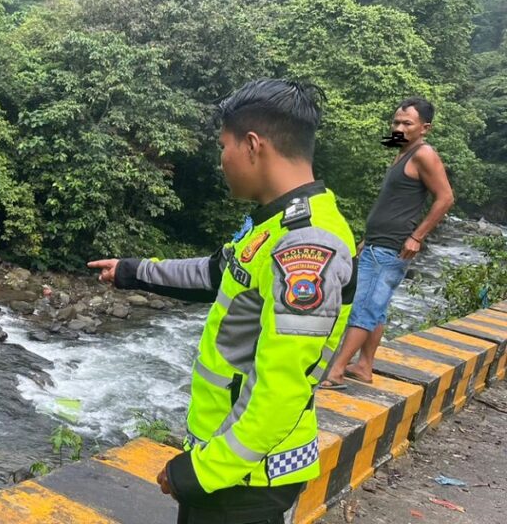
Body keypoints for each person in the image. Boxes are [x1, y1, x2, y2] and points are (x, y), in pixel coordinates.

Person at [88, 79, 356, 524]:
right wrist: (133, 271)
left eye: (223, 146)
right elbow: (215, 274)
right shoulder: (274, 224)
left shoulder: (309, 245)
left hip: (246, 477)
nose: (221, 160)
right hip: (231, 464)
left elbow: (281, 388)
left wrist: (202, 471)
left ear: (253, 145)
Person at [322, 97, 454, 389]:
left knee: (364, 307)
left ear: (425, 128)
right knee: (376, 307)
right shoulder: (401, 152)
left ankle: (336, 372)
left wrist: (417, 237)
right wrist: (367, 238)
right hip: (377, 242)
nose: (399, 127)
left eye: (407, 123)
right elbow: (391, 202)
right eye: (396, 122)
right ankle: (364, 366)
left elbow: (446, 198)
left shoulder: (424, 154)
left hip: (392, 245)